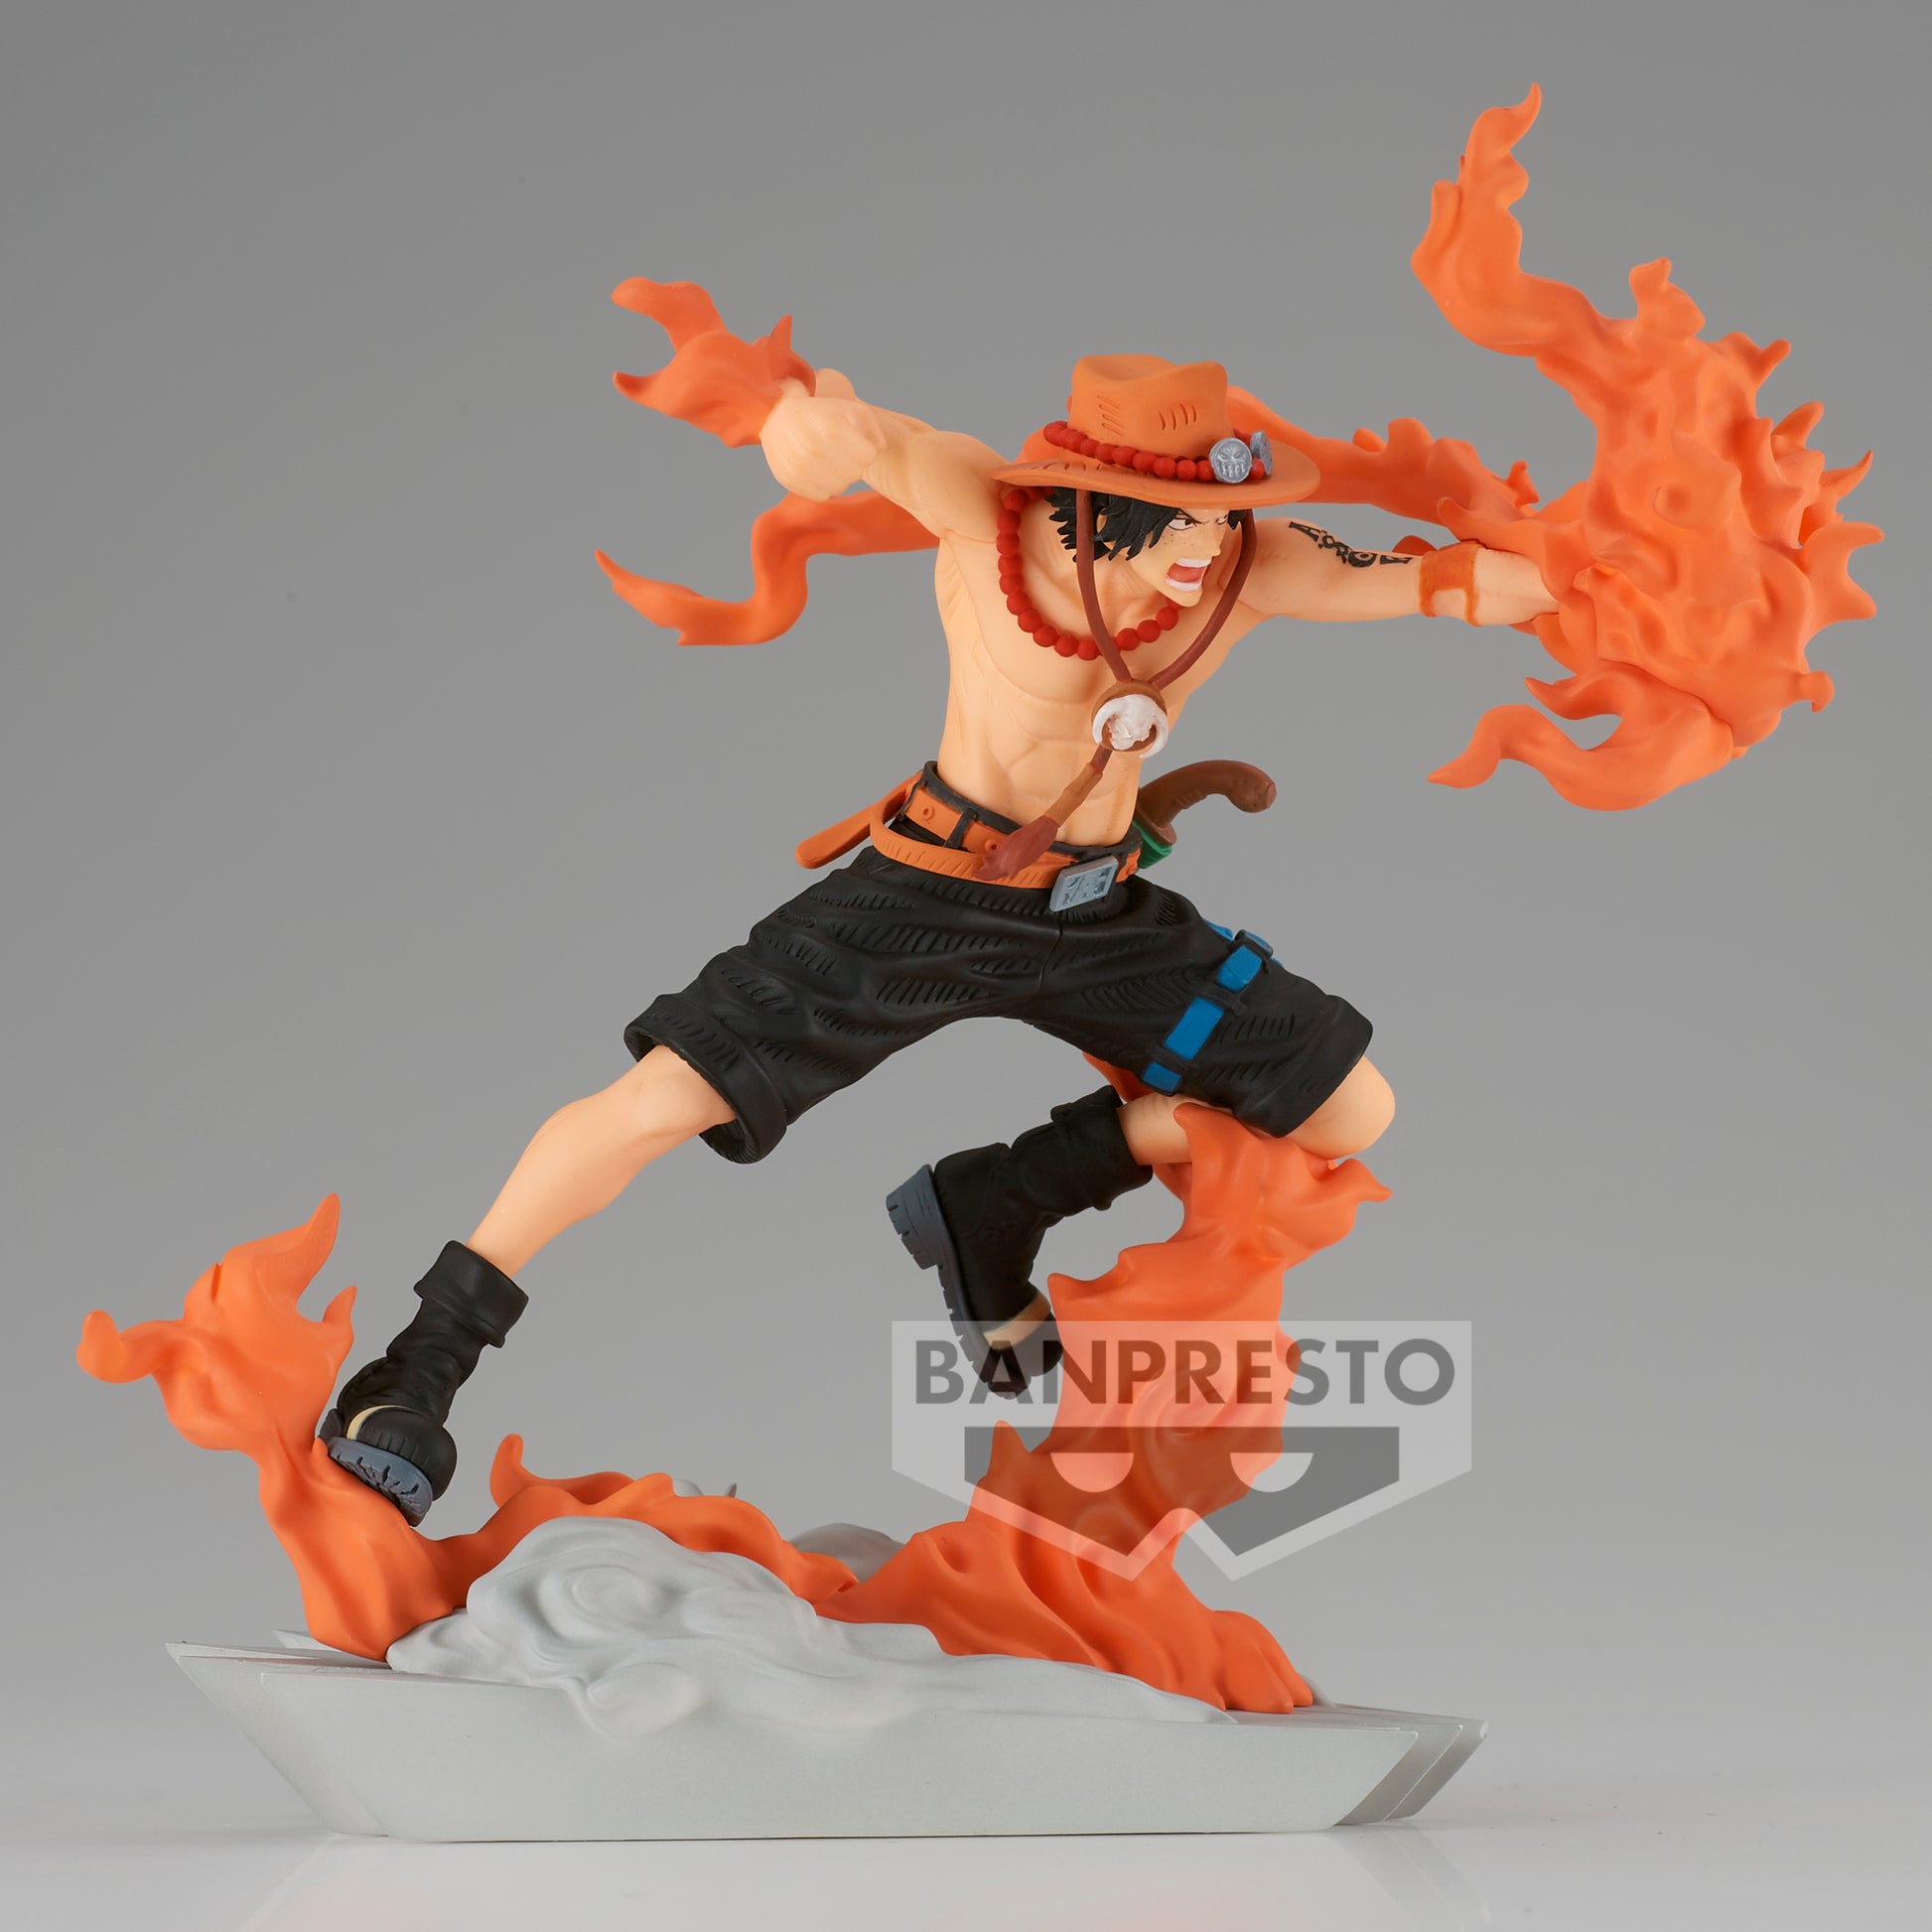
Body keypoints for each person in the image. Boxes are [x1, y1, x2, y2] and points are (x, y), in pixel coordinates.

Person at [320, 352, 1556, 1523]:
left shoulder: (1247, 565)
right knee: (658, 1099)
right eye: (1177, 520)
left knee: (1344, 1110)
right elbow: (876, 442)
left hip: (1096, 916)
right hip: (921, 897)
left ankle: (1000, 1194)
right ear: (1094, 502)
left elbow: (1441, 584)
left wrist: (1594, 587)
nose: (1203, 547)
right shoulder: (990, 521)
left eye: (1221, 518)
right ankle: (417, 1367)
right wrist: (807, 428)